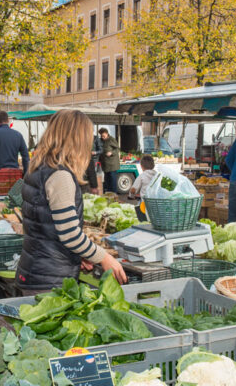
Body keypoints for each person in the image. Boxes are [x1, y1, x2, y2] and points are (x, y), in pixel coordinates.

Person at [16, 110, 127, 292]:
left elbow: (46, 227)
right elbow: (70, 235)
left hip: (36, 270)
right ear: (77, 140)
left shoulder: (40, 167)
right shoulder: (60, 176)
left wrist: (78, 255)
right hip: (50, 279)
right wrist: (104, 258)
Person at [0, 110, 29, 174]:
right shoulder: (18, 135)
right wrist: (25, 173)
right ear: (8, 120)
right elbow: (26, 156)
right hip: (14, 174)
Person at [129, 154, 157, 222]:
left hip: (145, 204)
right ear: (153, 165)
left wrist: (131, 196)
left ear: (141, 166)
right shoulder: (158, 175)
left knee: (143, 220)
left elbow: (133, 189)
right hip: (157, 204)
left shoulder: (142, 176)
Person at [98, 127, 120, 193]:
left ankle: (114, 195)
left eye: (103, 136)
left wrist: (111, 152)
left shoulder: (111, 140)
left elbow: (117, 149)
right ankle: (108, 194)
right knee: (107, 181)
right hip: (105, 165)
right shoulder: (101, 140)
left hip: (112, 165)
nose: (102, 137)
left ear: (107, 133)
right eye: (101, 136)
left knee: (113, 181)